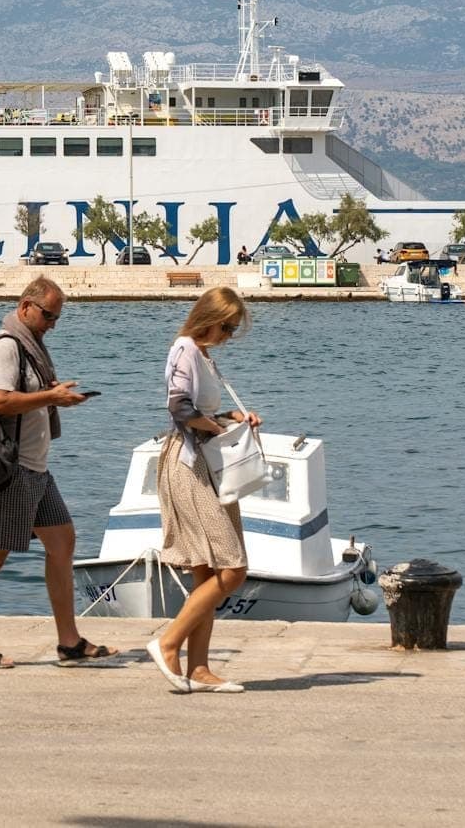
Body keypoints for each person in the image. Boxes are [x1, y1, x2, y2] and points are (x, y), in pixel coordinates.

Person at [0, 276, 110, 669]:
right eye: (48, 315)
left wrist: (58, 398)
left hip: (36, 469)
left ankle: (69, 642)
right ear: (26, 307)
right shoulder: (7, 345)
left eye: (57, 317)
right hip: (10, 470)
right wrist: (51, 396)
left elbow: (27, 399)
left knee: (62, 543)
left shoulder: (32, 348)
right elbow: (0, 401)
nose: (52, 323)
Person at [147, 286, 262, 693]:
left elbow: (203, 408)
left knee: (207, 574)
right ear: (209, 319)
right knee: (233, 570)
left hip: (208, 465)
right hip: (189, 465)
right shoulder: (184, 348)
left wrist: (234, 417)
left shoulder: (204, 357)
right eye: (227, 327)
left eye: (233, 329)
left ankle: (198, 668)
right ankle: (168, 642)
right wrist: (217, 428)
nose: (229, 335)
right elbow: (178, 407)